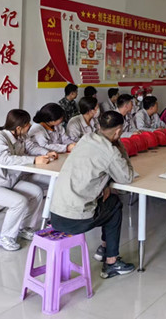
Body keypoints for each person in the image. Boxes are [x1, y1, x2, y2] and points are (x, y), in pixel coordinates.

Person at [50, 111, 136, 279]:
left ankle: (105, 249)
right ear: (118, 131)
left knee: (109, 200)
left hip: (55, 212)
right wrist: (120, 147)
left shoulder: (86, 138)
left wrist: (104, 186)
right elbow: (127, 177)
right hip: (75, 219)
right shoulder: (110, 151)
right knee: (115, 204)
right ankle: (111, 261)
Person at [0, 109, 56, 251]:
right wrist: (34, 160)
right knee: (19, 202)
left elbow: (31, 147)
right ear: (18, 127)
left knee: (36, 192)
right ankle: (4, 237)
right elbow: (5, 159)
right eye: (27, 124)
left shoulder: (21, 135)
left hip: (8, 181)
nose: (30, 126)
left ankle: (24, 228)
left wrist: (46, 153)